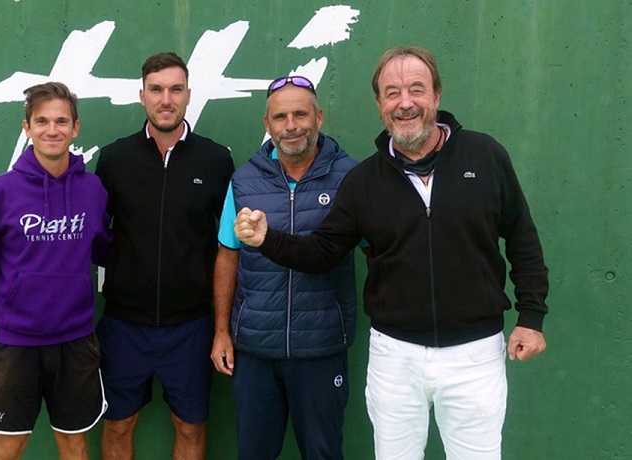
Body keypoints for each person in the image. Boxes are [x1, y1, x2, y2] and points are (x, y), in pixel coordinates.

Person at [235, 46, 549, 460]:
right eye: (392, 92)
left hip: (475, 354)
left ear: (437, 95)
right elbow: (323, 252)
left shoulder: (485, 156)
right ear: (380, 104)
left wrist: (531, 317)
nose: (405, 103)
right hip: (394, 356)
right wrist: (266, 240)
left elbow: (521, 236)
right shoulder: (364, 180)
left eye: (416, 90)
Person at [0, 81, 111, 460]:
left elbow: (108, 251)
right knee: (8, 447)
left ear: (75, 128)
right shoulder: (2, 191)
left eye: (61, 121)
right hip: (16, 344)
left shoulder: (92, 190)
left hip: (75, 341)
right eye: (41, 121)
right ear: (27, 128)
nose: (52, 130)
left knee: (74, 443)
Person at [94, 52, 234, 460]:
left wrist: (221, 325)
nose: (166, 99)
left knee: (190, 427)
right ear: (142, 96)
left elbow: (228, 245)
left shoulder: (215, 159)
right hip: (123, 325)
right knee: (118, 424)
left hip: (190, 326)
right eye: (156, 90)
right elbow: (95, 235)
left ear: (188, 95)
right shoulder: (116, 159)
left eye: (175, 89)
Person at [211, 76, 358, 460]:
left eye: (300, 114)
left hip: (321, 348)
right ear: (267, 124)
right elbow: (228, 254)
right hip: (256, 351)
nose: (291, 125)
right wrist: (222, 331)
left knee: (324, 454)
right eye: (280, 117)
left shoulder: (351, 178)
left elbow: (380, 251)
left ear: (319, 117)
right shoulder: (243, 180)